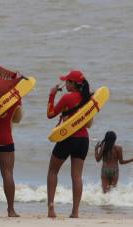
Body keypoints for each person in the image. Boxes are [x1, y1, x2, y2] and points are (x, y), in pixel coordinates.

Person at [46, 70, 92, 218]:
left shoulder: (67, 98)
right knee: (77, 176)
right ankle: (75, 212)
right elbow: (89, 123)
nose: (65, 84)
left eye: (67, 81)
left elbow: (50, 114)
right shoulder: (88, 99)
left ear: (72, 84)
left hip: (68, 138)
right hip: (83, 139)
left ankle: (51, 209)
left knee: (53, 171)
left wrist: (52, 94)